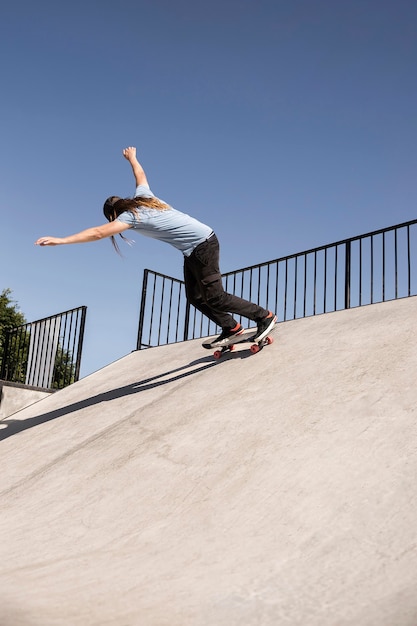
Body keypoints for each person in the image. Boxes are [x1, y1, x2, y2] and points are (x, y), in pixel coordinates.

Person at [35, 147, 276, 346]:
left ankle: (263, 316)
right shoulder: (144, 195)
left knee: (215, 296)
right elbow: (140, 175)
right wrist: (133, 158)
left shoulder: (131, 217)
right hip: (192, 249)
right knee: (195, 297)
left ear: (113, 215)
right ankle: (230, 326)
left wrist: (62, 240)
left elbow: (98, 233)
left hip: (203, 245)